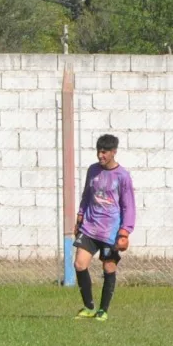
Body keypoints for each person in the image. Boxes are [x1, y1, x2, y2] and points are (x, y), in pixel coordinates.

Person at [74, 134, 135, 321]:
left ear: (113, 152)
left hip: (110, 231)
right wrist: (80, 217)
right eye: (98, 151)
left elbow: (128, 205)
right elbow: (86, 195)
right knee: (79, 264)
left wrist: (125, 231)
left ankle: (103, 310)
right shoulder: (92, 171)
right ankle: (89, 307)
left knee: (108, 268)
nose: (100, 155)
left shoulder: (122, 176)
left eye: (105, 152)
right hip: (90, 227)